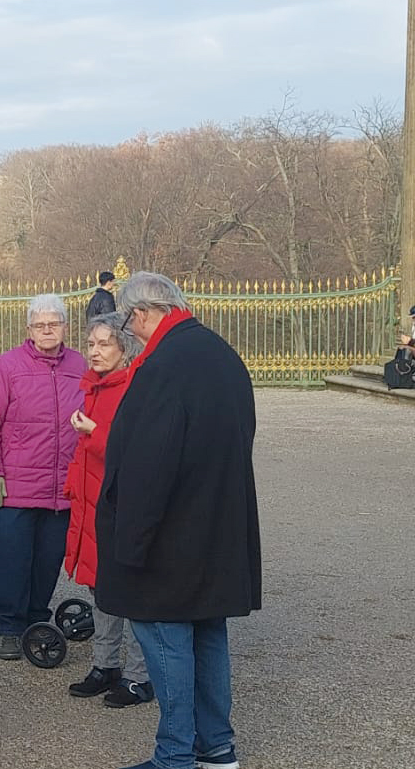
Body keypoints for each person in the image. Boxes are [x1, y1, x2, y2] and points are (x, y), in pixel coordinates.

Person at [96, 272, 260, 769]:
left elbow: (150, 463)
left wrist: (131, 541)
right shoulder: (221, 354)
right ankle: (217, 748)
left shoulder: (164, 365)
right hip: (216, 524)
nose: (128, 331)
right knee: (207, 633)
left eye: (128, 321)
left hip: (171, 534)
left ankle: (175, 756)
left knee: (165, 636)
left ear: (143, 314)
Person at [0, 294, 86, 660]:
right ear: (29, 329)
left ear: (65, 326)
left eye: (54, 323)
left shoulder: (80, 365)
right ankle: (9, 627)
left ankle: (37, 621)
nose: (48, 330)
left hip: (62, 489)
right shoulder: (7, 367)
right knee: (14, 561)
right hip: (16, 488)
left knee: (49, 560)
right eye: (40, 325)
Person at [63, 313, 152, 707]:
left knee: (130, 593)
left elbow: (134, 450)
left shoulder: (134, 387)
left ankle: (139, 676)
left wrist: (94, 433)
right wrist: (73, 485)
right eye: (91, 344)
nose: (94, 352)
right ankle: (105, 664)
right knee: (100, 589)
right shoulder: (94, 386)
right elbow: (85, 453)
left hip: (119, 504)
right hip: (92, 501)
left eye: (104, 344)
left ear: (124, 349)